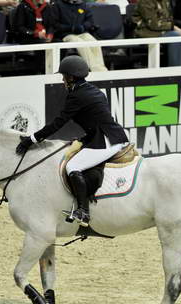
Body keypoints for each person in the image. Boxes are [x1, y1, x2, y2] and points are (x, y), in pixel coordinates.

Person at [15, 56, 129, 226]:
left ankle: (83, 211)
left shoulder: (77, 96)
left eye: (64, 76)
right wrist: (86, 137)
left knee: (72, 167)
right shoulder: (94, 90)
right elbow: (97, 120)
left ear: (71, 77)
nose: (62, 80)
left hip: (106, 141)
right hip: (112, 135)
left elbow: (58, 123)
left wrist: (31, 139)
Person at [48, 0, 108, 71]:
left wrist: (83, 27)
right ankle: (96, 69)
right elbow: (55, 24)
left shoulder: (82, 4)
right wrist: (71, 28)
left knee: (94, 43)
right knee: (81, 44)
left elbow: (90, 21)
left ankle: (101, 68)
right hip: (66, 34)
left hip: (82, 32)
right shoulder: (57, 5)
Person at [132, 0, 181, 66]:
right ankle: (175, 70)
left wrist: (176, 27)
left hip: (162, 30)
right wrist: (173, 27)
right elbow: (153, 24)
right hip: (147, 31)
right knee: (175, 36)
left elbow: (169, 18)